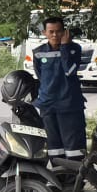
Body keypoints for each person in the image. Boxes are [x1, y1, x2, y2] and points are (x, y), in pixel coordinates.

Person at [30, 15, 86, 159]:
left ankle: (75, 173)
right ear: (44, 33)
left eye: (58, 31)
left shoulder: (74, 49)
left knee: (74, 148)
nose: (55, 35)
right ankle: (59, 173)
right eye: (51, 31)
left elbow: (70, 71)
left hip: (70, 106)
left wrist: (65, 47)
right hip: (48, 106)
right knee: (54, 148)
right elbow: (40, 76)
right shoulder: (38, 52)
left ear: (64, 32)